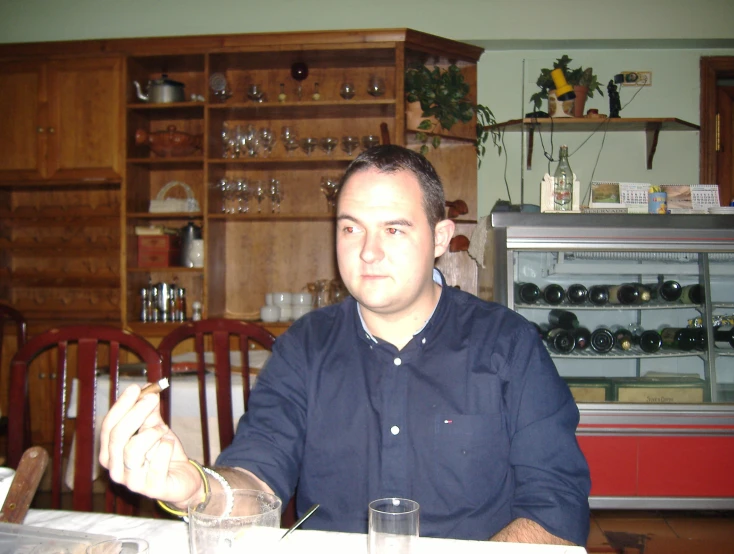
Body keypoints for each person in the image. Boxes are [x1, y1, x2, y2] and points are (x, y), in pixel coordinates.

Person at [100, 145, 591, 545]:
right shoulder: (303, 348)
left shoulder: (509, 344)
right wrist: (194, 487)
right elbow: (258, 483)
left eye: (394, 229)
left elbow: (555, 506)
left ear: (441, 237)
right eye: (350, 227)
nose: (368, 251)